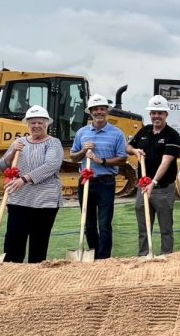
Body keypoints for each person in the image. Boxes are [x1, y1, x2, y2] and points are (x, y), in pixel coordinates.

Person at [0, 105, 63, 263]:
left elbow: (51, 165)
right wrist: (11, 153)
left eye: (40, 122)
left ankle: (35, 280)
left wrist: (24, 179)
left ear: (47, 123)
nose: (36, 126)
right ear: (27, 124)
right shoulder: (19, 142)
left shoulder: (53, 143)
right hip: (19, 199)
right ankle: (12, 276)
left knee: (38, 244)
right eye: (33, 122)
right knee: (13, 242)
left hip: (45, 201)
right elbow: (1, 166)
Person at [69, 93, 127, 259]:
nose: (99, 112)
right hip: (86, 182)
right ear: (90, 112)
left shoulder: (117, 133)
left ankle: (104, 257)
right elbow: (73, 157)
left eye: (102, 109)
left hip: (106, 182)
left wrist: (100, 160)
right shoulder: (81, 133)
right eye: (95, 109)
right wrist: (82, 151)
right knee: (88, 223)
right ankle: (93, 253)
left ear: (107, 111)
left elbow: (122, 158)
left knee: (104, 223)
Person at [126, 95, 180, 256]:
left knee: (165, 228)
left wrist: (154, 182)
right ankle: (144, 256)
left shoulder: (172, 135)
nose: (156, 116)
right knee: (143, 228)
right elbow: (128, 147)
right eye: (153, 113)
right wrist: (135, 151)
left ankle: (166, 256)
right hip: (143, 188)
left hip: (162, 189)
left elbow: (166, 161)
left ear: (166, 115)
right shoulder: (144, 131)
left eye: (160, 113)